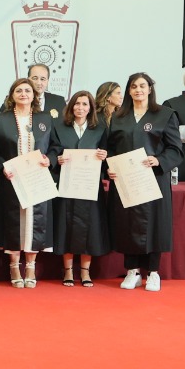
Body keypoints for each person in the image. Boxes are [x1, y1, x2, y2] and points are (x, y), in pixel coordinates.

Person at [104, 71, 184, 292]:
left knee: (154, 225)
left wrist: (159, 160)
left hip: (153, 179)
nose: (138, 90)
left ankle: (153, 272)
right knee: (127, 223)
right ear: (128, 91)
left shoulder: (165, 115)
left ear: (150, 89)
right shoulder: (119, 116)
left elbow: (175, 149)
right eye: (133, 86)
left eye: (142, 86)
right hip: (126, 180)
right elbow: (110, 148)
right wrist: (110, 167)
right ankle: (133, 271)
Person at [0, 77, 54, 288]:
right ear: (12, 95)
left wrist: (49, 159)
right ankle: (14, 266)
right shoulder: (1, 119)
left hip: (37, 179)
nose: (23, 94)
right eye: (19, 91)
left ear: (34, 95)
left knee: (34, 222)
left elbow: (55, 147)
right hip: (11, 180)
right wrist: (3, 167)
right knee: (15, 222)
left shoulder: (45, 119)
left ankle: (31, 267)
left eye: (27, 90)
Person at [48, 90, 110, 287]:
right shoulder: (58, 127)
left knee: (89, 227)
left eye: (84, 104)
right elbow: (52, 152)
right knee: (65, 226)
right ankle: (67, 270)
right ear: (71, 106)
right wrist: (57, 159)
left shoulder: (100, 129)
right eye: (77, 103)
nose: (80, 108)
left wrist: (104, 156)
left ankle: (85, 272)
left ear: (91, 108)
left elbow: (108, 155)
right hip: (66, 185)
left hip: (90, 186)